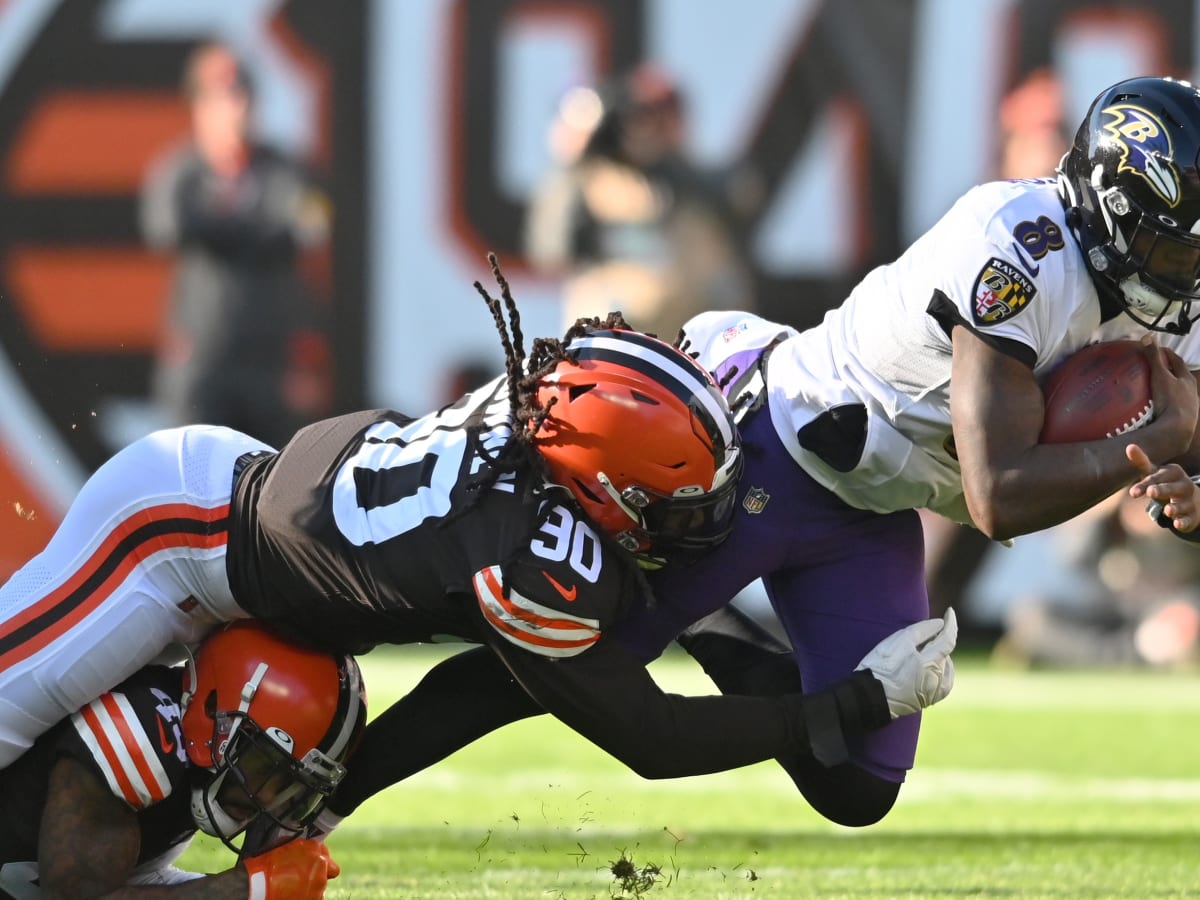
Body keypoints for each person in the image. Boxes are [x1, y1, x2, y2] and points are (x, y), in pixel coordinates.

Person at [312, 74, 1200, 833]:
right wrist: (1156, 441)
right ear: (1109, 206)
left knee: (857, 786)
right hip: (774, 446)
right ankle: (318, 803)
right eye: (1175, 237)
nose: (1188, 265)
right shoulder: (1020, 250)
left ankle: (711, 621)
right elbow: (997, 496)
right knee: (555, 658)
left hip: (874, 505)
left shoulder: (1169, 289)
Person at [0, 257, 956, 798]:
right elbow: (653, 738)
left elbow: (490, 685)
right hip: (173, 538)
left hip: (238, 519)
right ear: (606, 490)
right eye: (678, 503)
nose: (700, 525)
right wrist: (857, 706)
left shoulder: (548, 413)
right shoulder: (531, 563)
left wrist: (342, 795)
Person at [0, 619, 365, 897]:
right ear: (212, 709)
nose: (271, 799)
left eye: (292, 786)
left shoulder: (198, 756)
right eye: (267, 768)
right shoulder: (136, 733)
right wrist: (240, 888)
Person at [141, 41, 333, 448]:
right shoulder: (178, 173)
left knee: (273, 485)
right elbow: (167, 228)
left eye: (243, 91)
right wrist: (256, 227)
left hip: (271, 363)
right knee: (193, 479)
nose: (237, 106)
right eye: (222, 94)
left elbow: (313, 223)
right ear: (197, 104)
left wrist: (225, 226)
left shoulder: (285, 169)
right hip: (202, 360)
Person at [525, 63, 758, 340]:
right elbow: (552, 248)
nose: (646, 128)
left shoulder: (694, 187)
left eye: (659, 115)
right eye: (637, 117)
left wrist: (670, 161)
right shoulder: (590, 184)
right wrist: (578, 154)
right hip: (615, 349)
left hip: (697, 346)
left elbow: (740, 200)